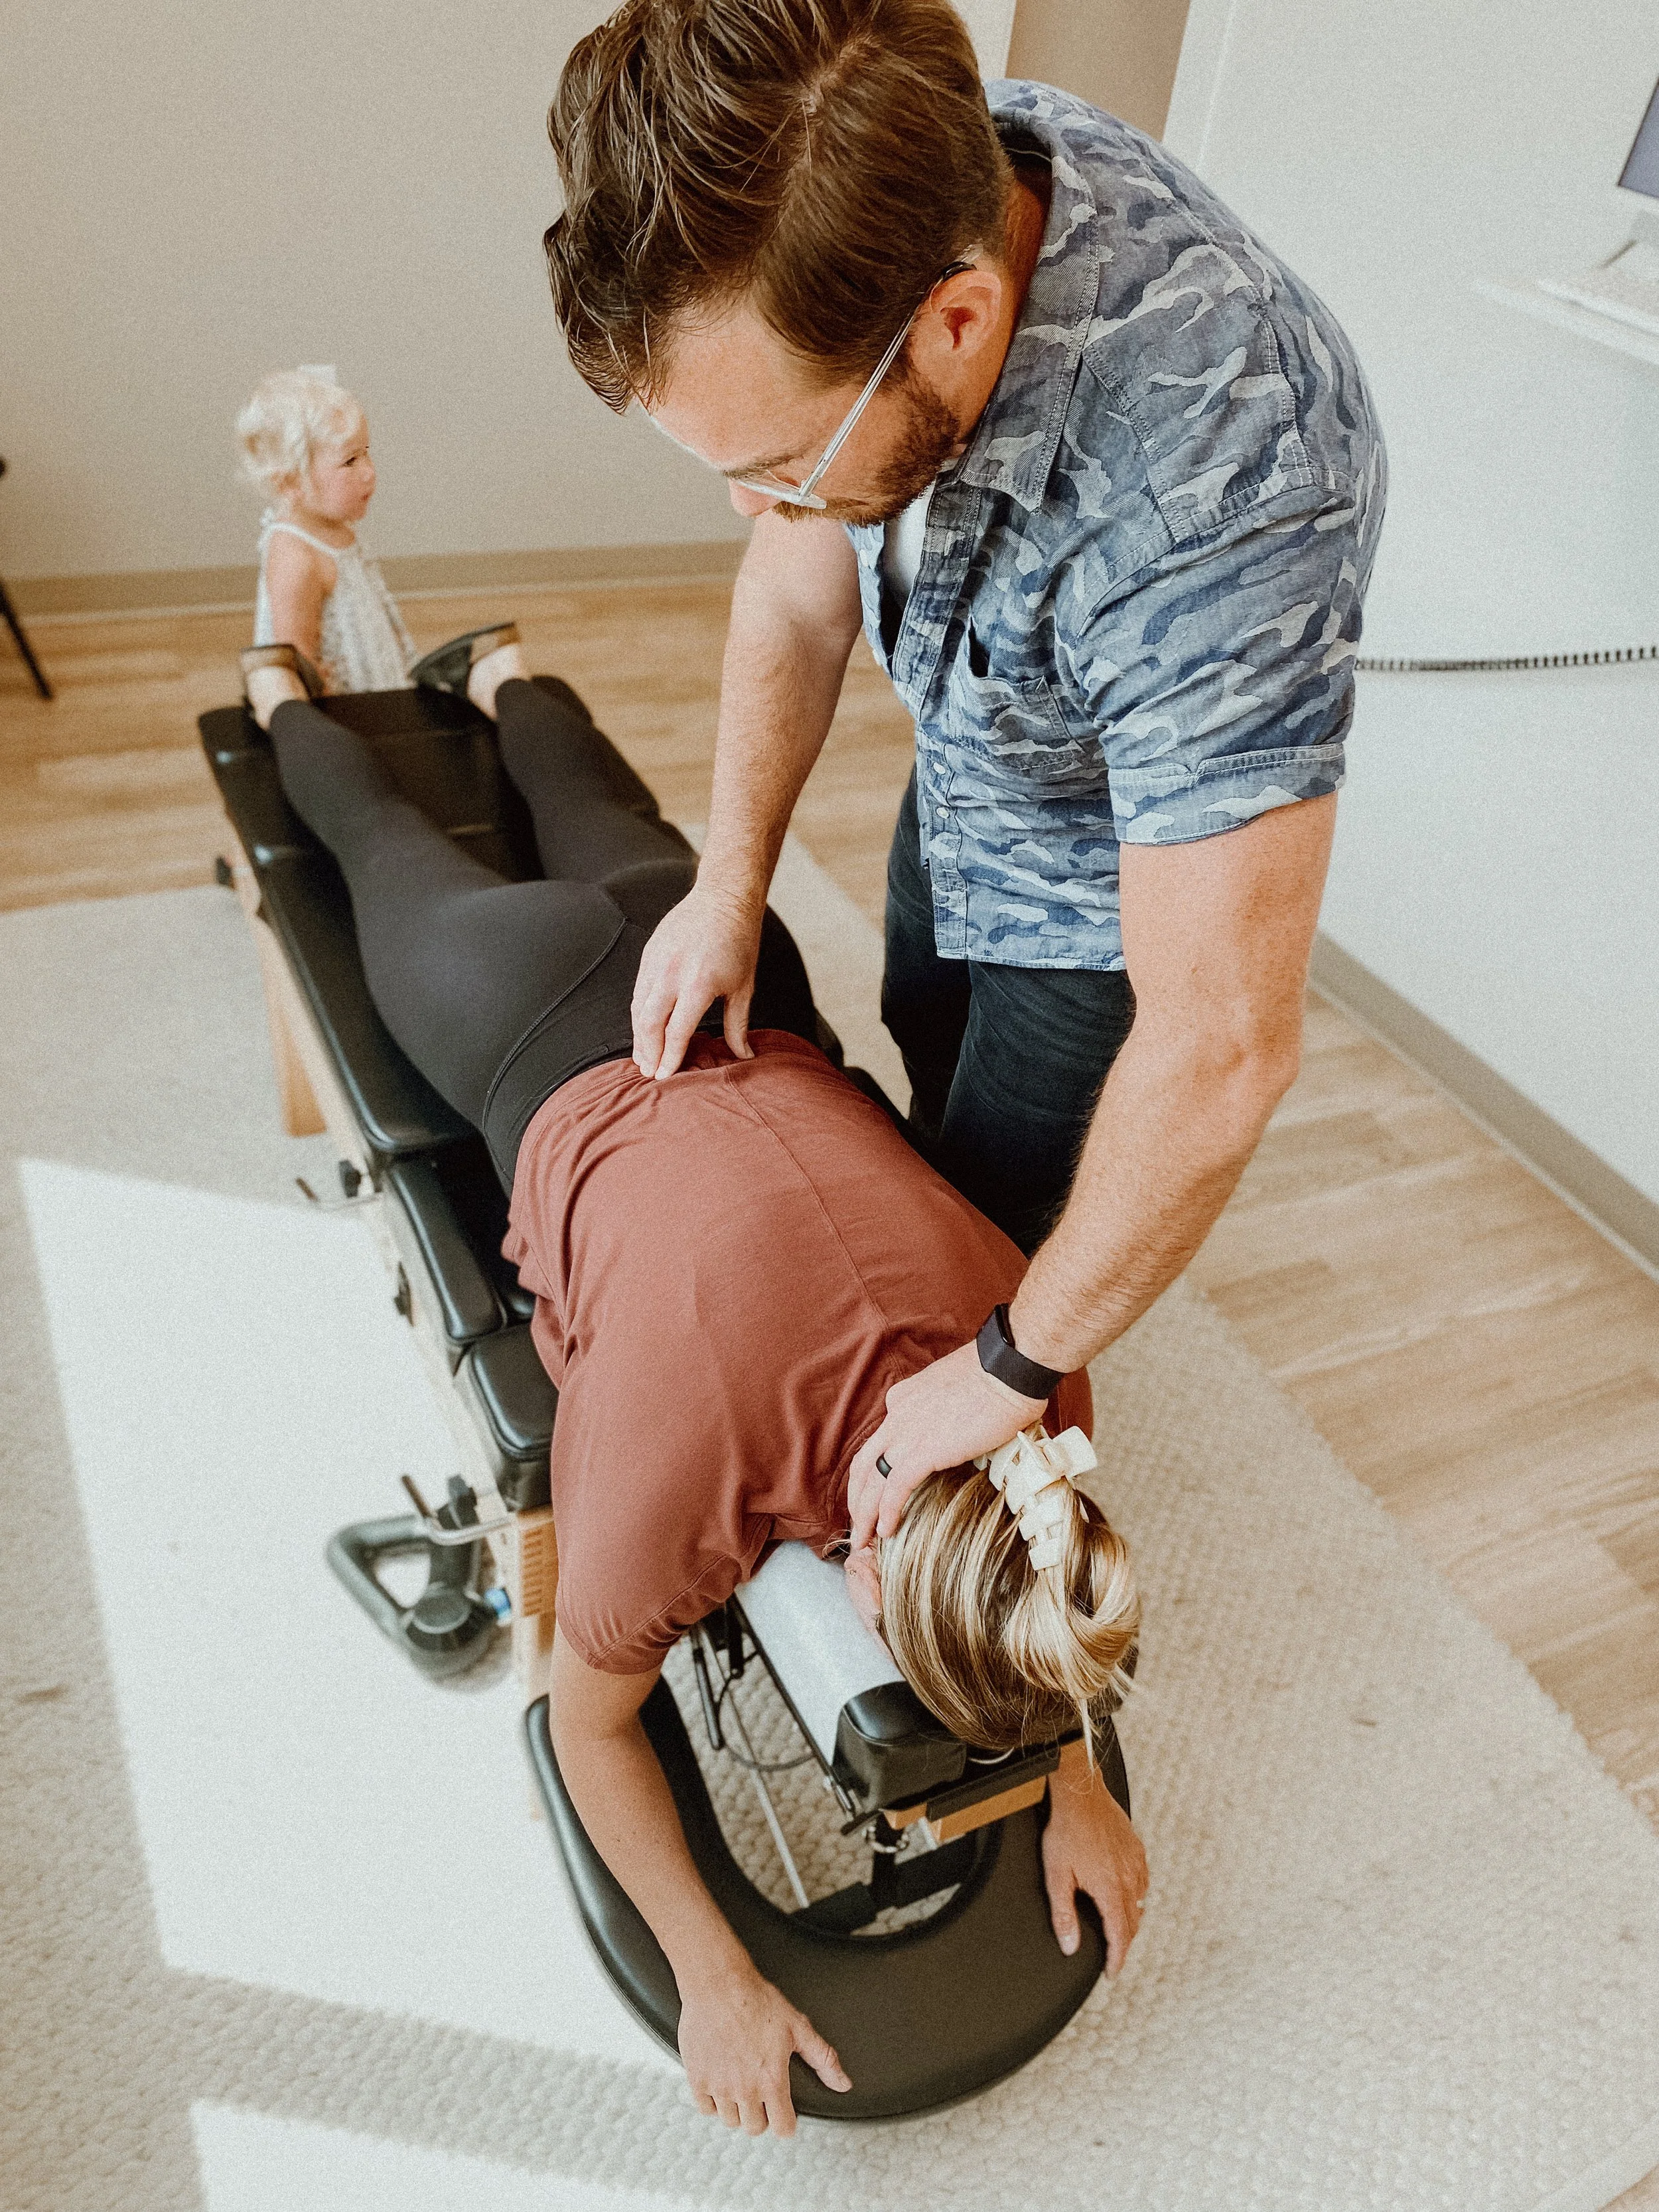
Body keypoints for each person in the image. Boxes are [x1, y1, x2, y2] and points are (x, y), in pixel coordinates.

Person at [239, 628, 1146, 2138]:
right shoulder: (686, 1470)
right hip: (521, 1017)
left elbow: (1040, 1587)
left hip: (720, 961)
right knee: (369, 841)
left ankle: (509, 668)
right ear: (863, 1573)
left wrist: (1079, 1784)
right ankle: (277, 690)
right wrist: (710, 1970)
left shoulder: (1034, 1375)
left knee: (588, 795)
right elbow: (580, 1722)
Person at [541, 0, 1388, 1554]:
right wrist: (729, 883)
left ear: (957, 321)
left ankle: (968, 1503)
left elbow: (1222, 1047)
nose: (754, 507)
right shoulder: (866, 181)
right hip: (977, 772)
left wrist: (1004, 1363)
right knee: (924, 1089)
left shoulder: (1233, 473)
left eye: (780, 464)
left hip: (1099, 912)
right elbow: (800, 584)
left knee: (992, 1231)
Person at [238, 368, 415, 694]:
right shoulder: (295, 556)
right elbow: (296, 663)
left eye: (367, 453)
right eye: (350, 462)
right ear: (291, 482)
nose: (369, 473)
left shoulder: (333, 527)